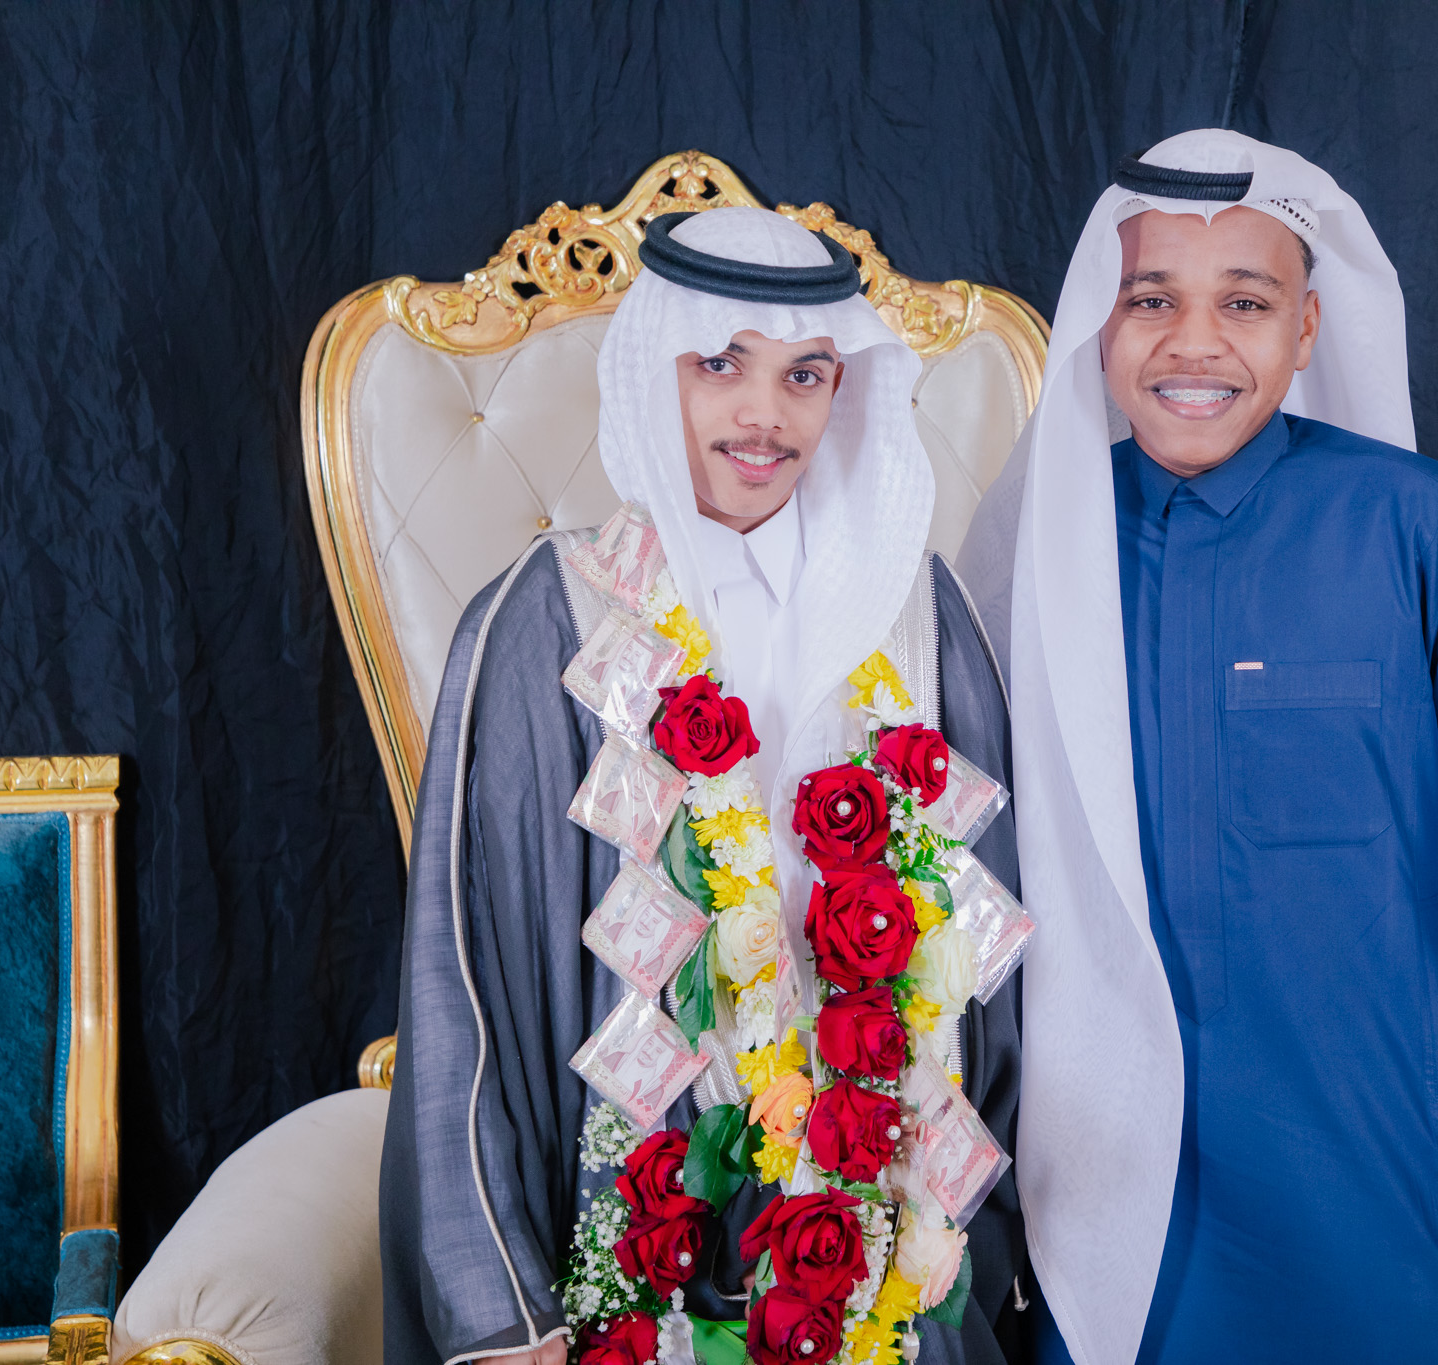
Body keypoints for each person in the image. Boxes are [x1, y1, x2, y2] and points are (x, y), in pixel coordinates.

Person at [958, 130, 1438, 1364]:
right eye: (1151, 299)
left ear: (1306, 329)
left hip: (1389, 1184)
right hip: (1106, 1204)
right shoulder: (1033, 555)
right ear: (1101, 322)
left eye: (1244, 303)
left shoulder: (1421, 525)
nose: (1193, 343)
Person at [382, 207, 1027, 1365]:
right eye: (719, 365)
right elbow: (465, 985)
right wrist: (501, 1308)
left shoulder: (916, 620)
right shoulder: (550, 617)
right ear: (652, 372)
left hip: (881, 1245)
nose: (763, 415)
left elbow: (997, 996)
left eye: (804, 374)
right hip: (632, 1243)